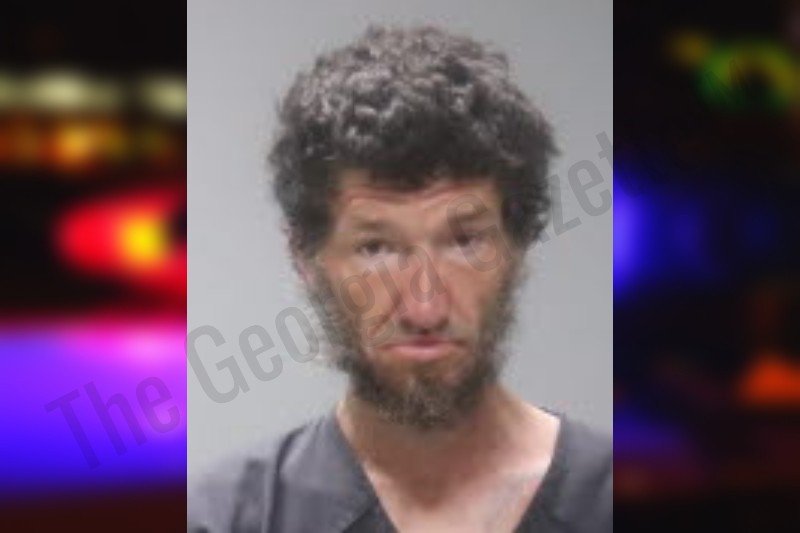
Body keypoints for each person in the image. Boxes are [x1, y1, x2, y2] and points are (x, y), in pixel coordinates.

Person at [189, 24, 611, 533]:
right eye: (376, 249)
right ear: (306, 258)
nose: (424, 308)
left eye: (464, 242)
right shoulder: (229, 518)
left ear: (517, 246)